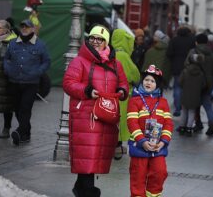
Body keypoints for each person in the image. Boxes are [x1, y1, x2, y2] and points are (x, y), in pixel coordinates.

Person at [63, 24, 129, 197]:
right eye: (92, 38)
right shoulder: (79, 61)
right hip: (85, 113)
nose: (95, 42)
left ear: (106, 42)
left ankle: (81, 187)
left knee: (97, 153)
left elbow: (123, 83)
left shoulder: (116, 64)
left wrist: (122, 91)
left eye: (100, 39)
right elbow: (68, 83)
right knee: (88, 151)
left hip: (106, 114)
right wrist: (86, 91)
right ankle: (87, 190)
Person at [127, 65, 173, 197]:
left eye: (152, 81)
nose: (148, 83)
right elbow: (132, 123)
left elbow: (168, 124)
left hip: (158, 147)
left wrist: (164, 142)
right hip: (139, 147)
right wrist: (142, 141)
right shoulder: (134, 101)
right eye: (146, 79)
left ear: (157, 85)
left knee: (160, 173)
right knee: (138, 178)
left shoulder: (163, 102)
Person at [3, 19, 50, 145]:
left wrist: (38, 72)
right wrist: (8, 70)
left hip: (31, 83)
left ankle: (19, 131)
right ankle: (26, 133)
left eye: (27, 27)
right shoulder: (13, 43)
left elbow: (46, 62)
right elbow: (6, 58)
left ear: (33, 29)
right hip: (14, 81)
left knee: (25, 108)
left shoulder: (40, 45)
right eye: (22, 26)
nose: (24, 28)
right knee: (17, 109)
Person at [111, 29, 140, 159]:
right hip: (123, 93)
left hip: (110, 91)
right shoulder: (123, 56)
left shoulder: (110, 53)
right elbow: (135, 75)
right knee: (121, 120)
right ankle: (116, 147)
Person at [0, 20, 17, 139]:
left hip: (6, 79)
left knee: (7, 106)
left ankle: (6, 129)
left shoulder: (14, 42)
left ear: (7, 29)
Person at [166, 26, 195, 116]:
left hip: (176, 67)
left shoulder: (174, 40)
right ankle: (185, 107)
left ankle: (177, 108)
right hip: (188, 67)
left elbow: (169, 53)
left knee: (177, 87)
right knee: (186, 88)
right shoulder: (191, 40)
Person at [177, 51, 206, 137]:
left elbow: (180, 82)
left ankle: (182, 127)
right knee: (192, 112)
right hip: (195, 95)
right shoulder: (200, 73)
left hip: (185, 93)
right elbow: (203, 85)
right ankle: (189, 128)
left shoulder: (185, 71)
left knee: (184, 111)